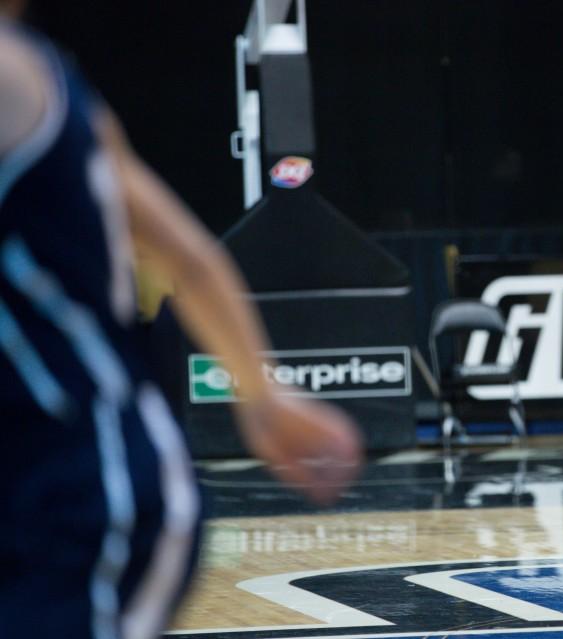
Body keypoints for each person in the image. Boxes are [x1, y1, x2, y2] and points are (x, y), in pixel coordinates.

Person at [0, 11, 362, 638]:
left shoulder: (14, 76)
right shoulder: (51, 78)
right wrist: (264, 395)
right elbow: (190, 258)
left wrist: (264, 395)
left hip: (75, 484)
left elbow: (182, 257)